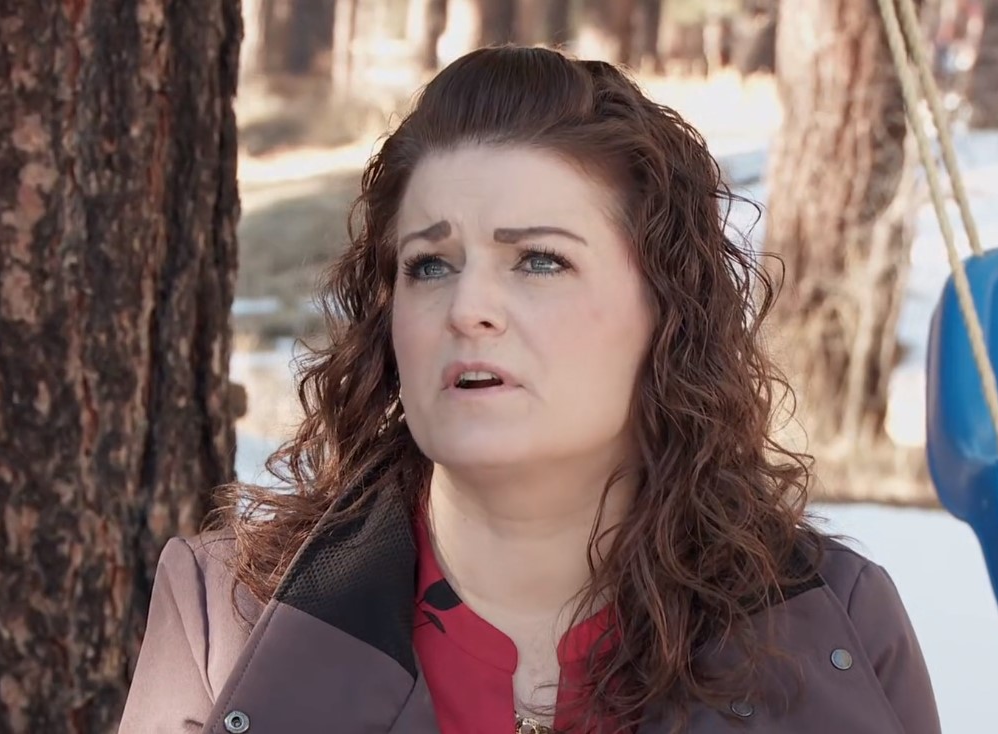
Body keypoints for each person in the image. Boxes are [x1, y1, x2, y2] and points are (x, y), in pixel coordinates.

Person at [119, 45, 941, 734]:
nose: (467, 308)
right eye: (429, 265)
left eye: (539, 260)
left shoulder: (830, 619)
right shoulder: (229, 613)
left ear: (666, 312)